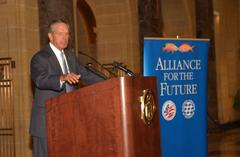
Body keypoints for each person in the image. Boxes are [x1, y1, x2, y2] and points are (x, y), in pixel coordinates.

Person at [30, 19, 104, 157]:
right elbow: (40, 80)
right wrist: (62, 77)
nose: (65, 38)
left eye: (67, 34)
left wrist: (111, 82)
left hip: (68, 120)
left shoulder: (70, 56)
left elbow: (87, 75)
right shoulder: (40, 58)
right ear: (50, 36)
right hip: (46, 123)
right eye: (60, 34)